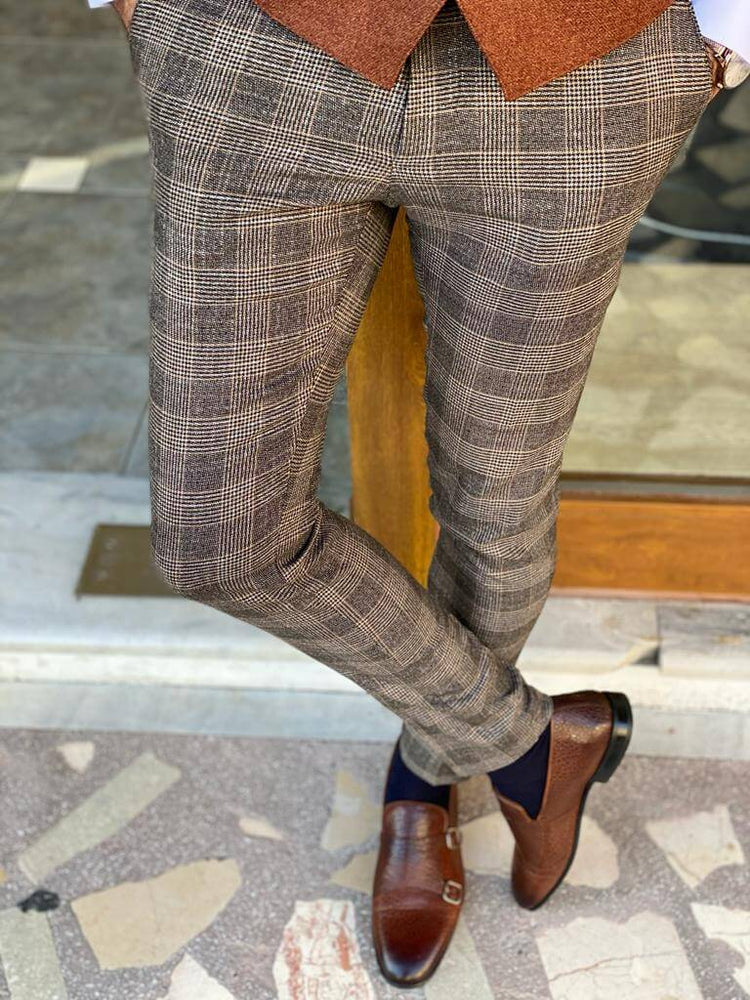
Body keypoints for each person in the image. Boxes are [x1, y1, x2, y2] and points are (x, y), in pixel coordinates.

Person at [95, 0, 749, 987]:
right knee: (216, 535)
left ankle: (427, 777)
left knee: (496, 504)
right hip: (256, 52)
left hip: (581, 74)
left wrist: (728, 33)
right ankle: (528, 743)